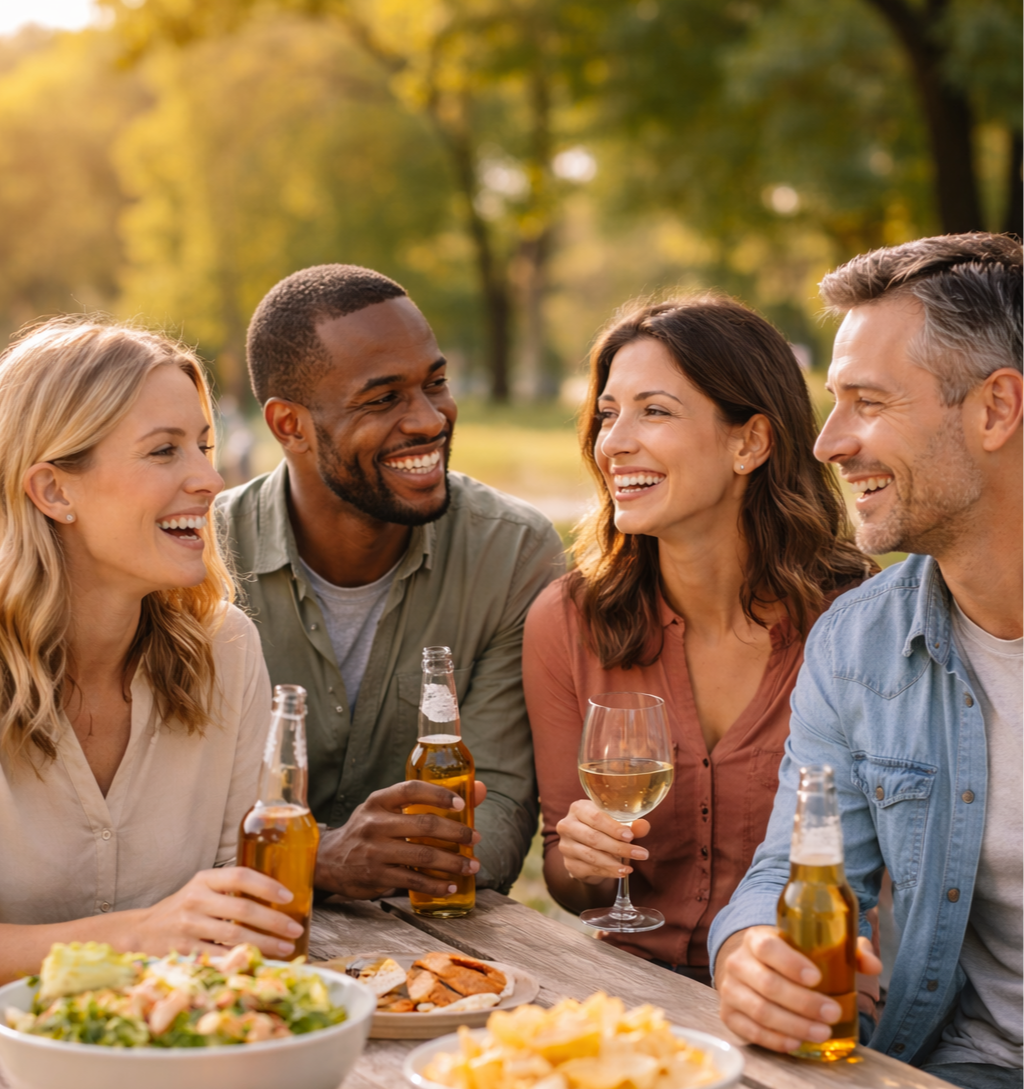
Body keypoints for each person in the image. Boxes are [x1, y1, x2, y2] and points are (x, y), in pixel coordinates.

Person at [710, 233, 1024, 1088]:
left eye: (868, 403)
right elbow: (791, 866)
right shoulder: (858, 643)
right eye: (832, 401)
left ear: (996, 409)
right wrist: (751, 954)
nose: (827, 443)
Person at [523, 295, 874, 984]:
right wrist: (587, 860)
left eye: (654, 410)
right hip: (635, 994)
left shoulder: (857, 620)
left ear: (750, 442)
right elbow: (566, 876)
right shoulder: (568, 621)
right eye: (607, 412)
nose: (615, 441)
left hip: (801, 995)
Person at [217, 264, 564, 903]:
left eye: (435, 384)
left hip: (437, 950)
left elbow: (497, 813)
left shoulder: (512, 553)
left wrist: (291, 853)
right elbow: (175, 831)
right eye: (383, 399)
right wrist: (320, 860)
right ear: (289, 425)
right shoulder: (202, 561)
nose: (429, 420)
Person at [0, 318, 301, 985]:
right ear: (53, 490)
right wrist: (137, 934)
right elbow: (167, 931)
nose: (209, 479)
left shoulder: (226, 648)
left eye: (203, 444)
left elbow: (238, 898)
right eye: (164, 451)